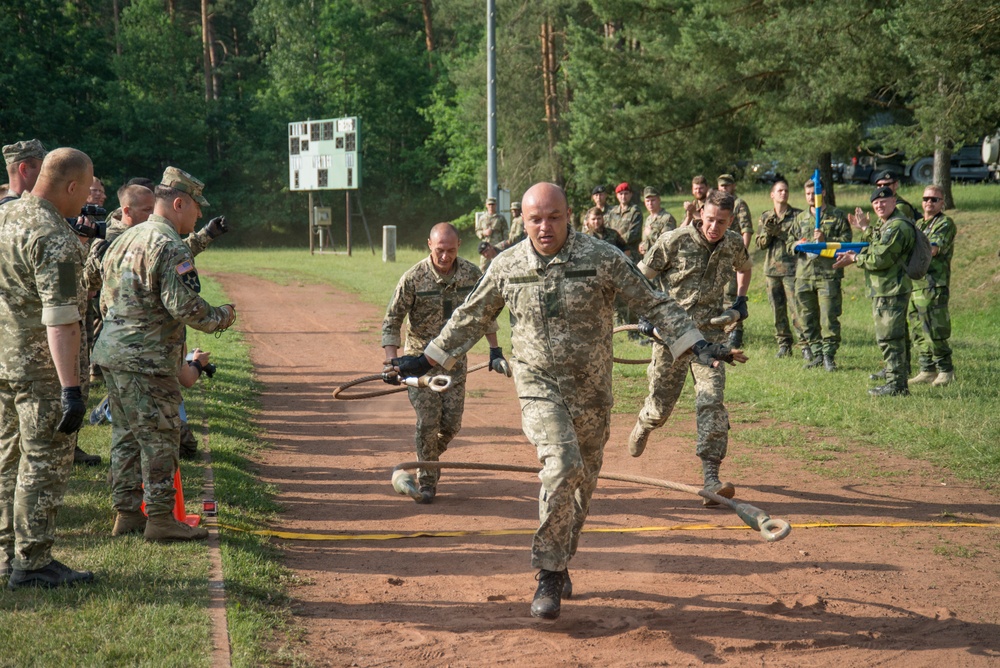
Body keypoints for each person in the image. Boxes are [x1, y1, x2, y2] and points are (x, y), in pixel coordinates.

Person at [387, 182, 738, 620]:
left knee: (582, 484)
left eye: (553, 217)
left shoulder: (602, 258)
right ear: (523, 221)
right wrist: (427, 357)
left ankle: (562, 555)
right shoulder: (507, 264)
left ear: (568, 214)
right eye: (535, 219)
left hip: (592, 392)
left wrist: (697, 343)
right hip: (538, 386)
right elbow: (471, 316)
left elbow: (653, 301)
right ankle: (548, 572)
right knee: (562, 465)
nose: (545, 226)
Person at [92, 167, 237, 541]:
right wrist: (223, 316)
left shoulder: (127, 238)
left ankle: (127, 515)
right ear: (178, 202)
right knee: (160, 438)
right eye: (196, 207)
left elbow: (104, 299)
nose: (200, 216)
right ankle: (159, 519)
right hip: (148, 360)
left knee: (124, 435)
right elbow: (187, 308)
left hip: (112, 352)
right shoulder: (169, 246)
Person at [1, 147, 95, 589]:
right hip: (40, 368)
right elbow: (61, 321)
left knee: (7, 459)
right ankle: (33, 562)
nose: (88, 199)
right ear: (70, 186)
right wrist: (71, 390)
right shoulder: (52, 236)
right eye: (86, 188)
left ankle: (5, 553)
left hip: (3, 359)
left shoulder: (6, 217)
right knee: (42, 461)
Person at [628, 189, 751, 504]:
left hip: (711, 339)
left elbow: (745, 267)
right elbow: (641, 276)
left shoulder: (734, 243)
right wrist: (645, 315)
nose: (714, 227)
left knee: (711, 402)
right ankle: (645, 421)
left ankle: (711, 478)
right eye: (710, 219)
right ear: (700, 212)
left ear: (731, 221)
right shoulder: (674, 241)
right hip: (672, 337)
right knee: (661, 408)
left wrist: (741, 300)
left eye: (721, 222)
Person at [381, 223, 505, 504]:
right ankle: (427, 483)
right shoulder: (413, 278)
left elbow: (484, 314)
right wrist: (392, 362)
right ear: (429, 245)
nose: (445, 256)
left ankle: (424, 457)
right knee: (428, 422)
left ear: (459, 245)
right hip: (418, 365)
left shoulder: (473, 274)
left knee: (451, 426)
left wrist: (495, 350)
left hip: (453, 363)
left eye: (450, 250)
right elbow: (392, 321)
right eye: (439, 250)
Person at [833, 186, 915, 396]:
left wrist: (854, 259)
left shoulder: (897, 226)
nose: (880, 205)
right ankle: (897, 379)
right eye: (876, 202)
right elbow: (877, 246)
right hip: (885, 289)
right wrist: (864, 233)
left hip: (891, 289)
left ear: (894, 201)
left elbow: (880, 258)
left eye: (884, 201)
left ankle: (896, 385)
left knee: (890, 337)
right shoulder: (886, 224)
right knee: (893, 336)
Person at [790, 177, 852, 371]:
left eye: (814, 193)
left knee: (829, 317)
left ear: (823, 193)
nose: (811, 197)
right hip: (804, 274)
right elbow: (789, 241)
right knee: (806, 317)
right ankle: (816, 352)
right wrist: (796, 245)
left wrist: (826, 240)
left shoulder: (836, 215)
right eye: (808, 194)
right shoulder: (800, 219)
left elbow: (846, 242)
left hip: (828, 275)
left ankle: (829, 356)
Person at [908, 185, 956, 387]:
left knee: (934, 329)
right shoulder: (918, 223)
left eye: (934, 199)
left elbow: (933, 249)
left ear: (942, 202)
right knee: (917, 329)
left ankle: (946, 370)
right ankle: (927, 369)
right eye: (926, 198)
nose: (929, 202)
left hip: (933, 284)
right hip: (915, 283)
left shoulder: (945, 223)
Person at [753, 179, 803, 358]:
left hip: (792, 268)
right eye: (780, 190)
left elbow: (799, 240)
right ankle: (784, 344)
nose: (783, 193)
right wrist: (768, 231)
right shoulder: (766, 216)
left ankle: (805, 345)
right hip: (772, 271)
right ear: (772, 195)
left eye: (786, 191)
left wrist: (779, 232)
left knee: (796, 309)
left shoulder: (798, 215)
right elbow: (760, 244)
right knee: (777, 310)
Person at [717, 174, 752, 348]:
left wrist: (741, 254)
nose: (724, 189)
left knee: (733, 295)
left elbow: (746, 230)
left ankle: (736, 332)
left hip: (733, 256)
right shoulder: (717, 206)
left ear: (733, 186)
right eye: (721, 186)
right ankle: (721, 331)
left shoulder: (738, 204)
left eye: (727, 186)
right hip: (718, 258)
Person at [0, 139, 47, 207]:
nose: (48, 173)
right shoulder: (24, 211)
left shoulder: (5, 209)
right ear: (24, 169)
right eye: (43, 168)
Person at [605, 182, 643, 261]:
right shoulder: (612, 212)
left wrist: (616, 241)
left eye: (626, 193)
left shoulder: (635, 211)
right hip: (614, 252)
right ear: (617, 195)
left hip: (630, 253)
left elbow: (634, 234)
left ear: (631, 194)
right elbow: (607, 230)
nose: (623, 196)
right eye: (621, 194)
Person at [639, 186, 677, 257]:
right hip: (649, 259)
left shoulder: (667, 218)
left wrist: (651, 233)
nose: (650, 203)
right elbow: (646, 240)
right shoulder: (648, 219)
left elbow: (667, 243)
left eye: (653, 200)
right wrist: (642, 246)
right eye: (647, 201)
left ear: (659, 200)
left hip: (662, 260)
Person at [475, 197, 508, 271]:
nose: (491, 206)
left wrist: (505, 243)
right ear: (486, 205)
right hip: (485, 247)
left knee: (500, 265)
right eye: (489, 204)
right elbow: (477, 230)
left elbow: (505, 231)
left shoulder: (500, 218)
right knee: (483, 267)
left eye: (493, 204)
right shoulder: (482, 218)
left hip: (497, 246)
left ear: (495, 205)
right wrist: (484, 232)